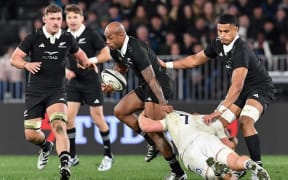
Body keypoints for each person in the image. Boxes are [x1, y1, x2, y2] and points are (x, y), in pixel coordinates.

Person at [159, 14, 276, 179]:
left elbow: (237, 86)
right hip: (241, 92)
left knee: (245, 121)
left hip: (260, 89)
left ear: (236, 30)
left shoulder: (241, 50)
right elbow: (195, 60)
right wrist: (167, 65)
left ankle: (258, 168)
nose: (222, 34)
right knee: (216, 126)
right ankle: (236, 164)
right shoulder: (218, 44)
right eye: (220, 30)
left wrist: (220, 110)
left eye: (226, 31)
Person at [10, 4, 96, 180]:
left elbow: (80, 55)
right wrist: (26, 64)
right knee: (31, 135)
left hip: (57, 90)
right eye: (53, 19)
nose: (57, 22)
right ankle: (45, 146)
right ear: (45, 19)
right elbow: (14, 59)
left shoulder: (67, 38)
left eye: (59, 19)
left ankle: (65, 166)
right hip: (35, 91)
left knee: (58, 125)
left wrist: (88, 63)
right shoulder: (33, 38)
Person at [103, 21, 187, 180]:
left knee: (154, 131)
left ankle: (178, 173)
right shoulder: (114, 49)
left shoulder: (136, 50)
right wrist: (111, 84)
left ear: (121, 35)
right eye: (106, 38)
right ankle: (152, 142)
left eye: (110, 38)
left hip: (159, 85)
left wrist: (162, 103)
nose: (107, 41)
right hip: (145, 86)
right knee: (119, 111)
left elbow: (152, 78)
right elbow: (121, 68)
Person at [138, 110, 271, 180]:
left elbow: (146, 127)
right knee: (235, 160)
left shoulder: (172, 118)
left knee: (213, 175)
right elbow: (230, 145)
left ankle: (220, 172)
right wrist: (233, 142)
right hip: (208, 139)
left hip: (189, 148)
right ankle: (250, 164)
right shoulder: (208, 120)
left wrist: (143, 113)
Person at [64, 4, 113, 171]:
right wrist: (65, 70)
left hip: (91, 81)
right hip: (75, 83)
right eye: (69, 17)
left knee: (97, 119)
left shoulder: (91, 34)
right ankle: (72, 157)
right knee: (68, 119)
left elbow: (106, 53)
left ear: (82, 18)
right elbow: (57, 58)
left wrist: (92, 61)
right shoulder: (64, 36)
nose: (72, 20)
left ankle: (108, 155)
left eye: (75, 17)